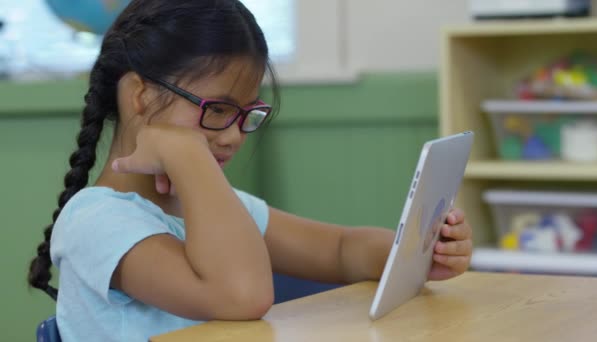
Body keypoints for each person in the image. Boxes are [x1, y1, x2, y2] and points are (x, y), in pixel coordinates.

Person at [27, 0, 473, 341]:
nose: (235, 136)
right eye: (218, 109)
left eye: (246, 114)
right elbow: (241, 295)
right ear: (139, 96)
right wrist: (187, 156)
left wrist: (418, 252)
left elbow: (340, 248)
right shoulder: (96, 222)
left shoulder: (211, 209)